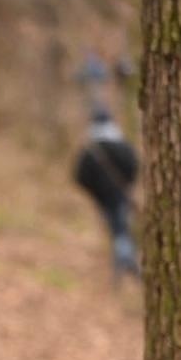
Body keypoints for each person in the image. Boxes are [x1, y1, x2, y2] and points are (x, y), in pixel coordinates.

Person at [73, 105, 140, 280]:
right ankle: (128, 262)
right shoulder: (122, 145)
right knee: (122, 227)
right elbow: (134, 166)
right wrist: (128, 185)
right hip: (121, 195)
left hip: (102, 199)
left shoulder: (89, 150)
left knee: (116, 228)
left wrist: (96, 192)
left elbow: (80, 177)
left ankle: (123, 262)